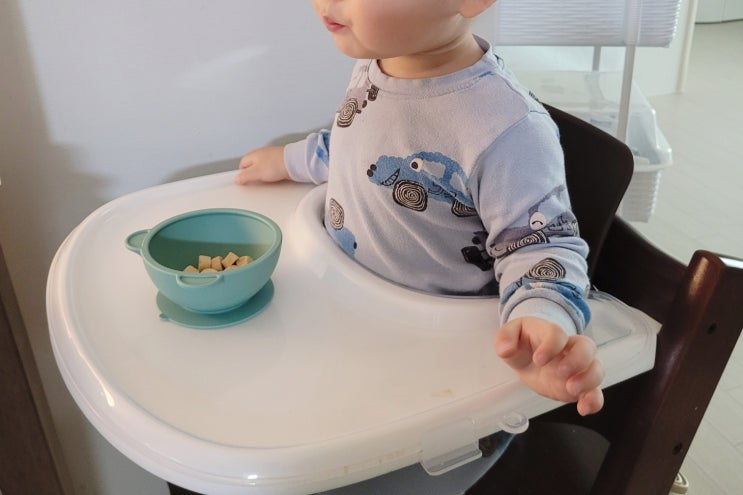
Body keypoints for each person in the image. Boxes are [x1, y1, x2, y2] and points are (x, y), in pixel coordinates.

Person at [236, 0, 604, 491]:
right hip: (354, 327)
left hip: (441, 388)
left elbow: (543, 244)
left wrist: (541, 318)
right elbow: (356, 142)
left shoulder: (508, 130)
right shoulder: (379, 62)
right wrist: (291, 160)